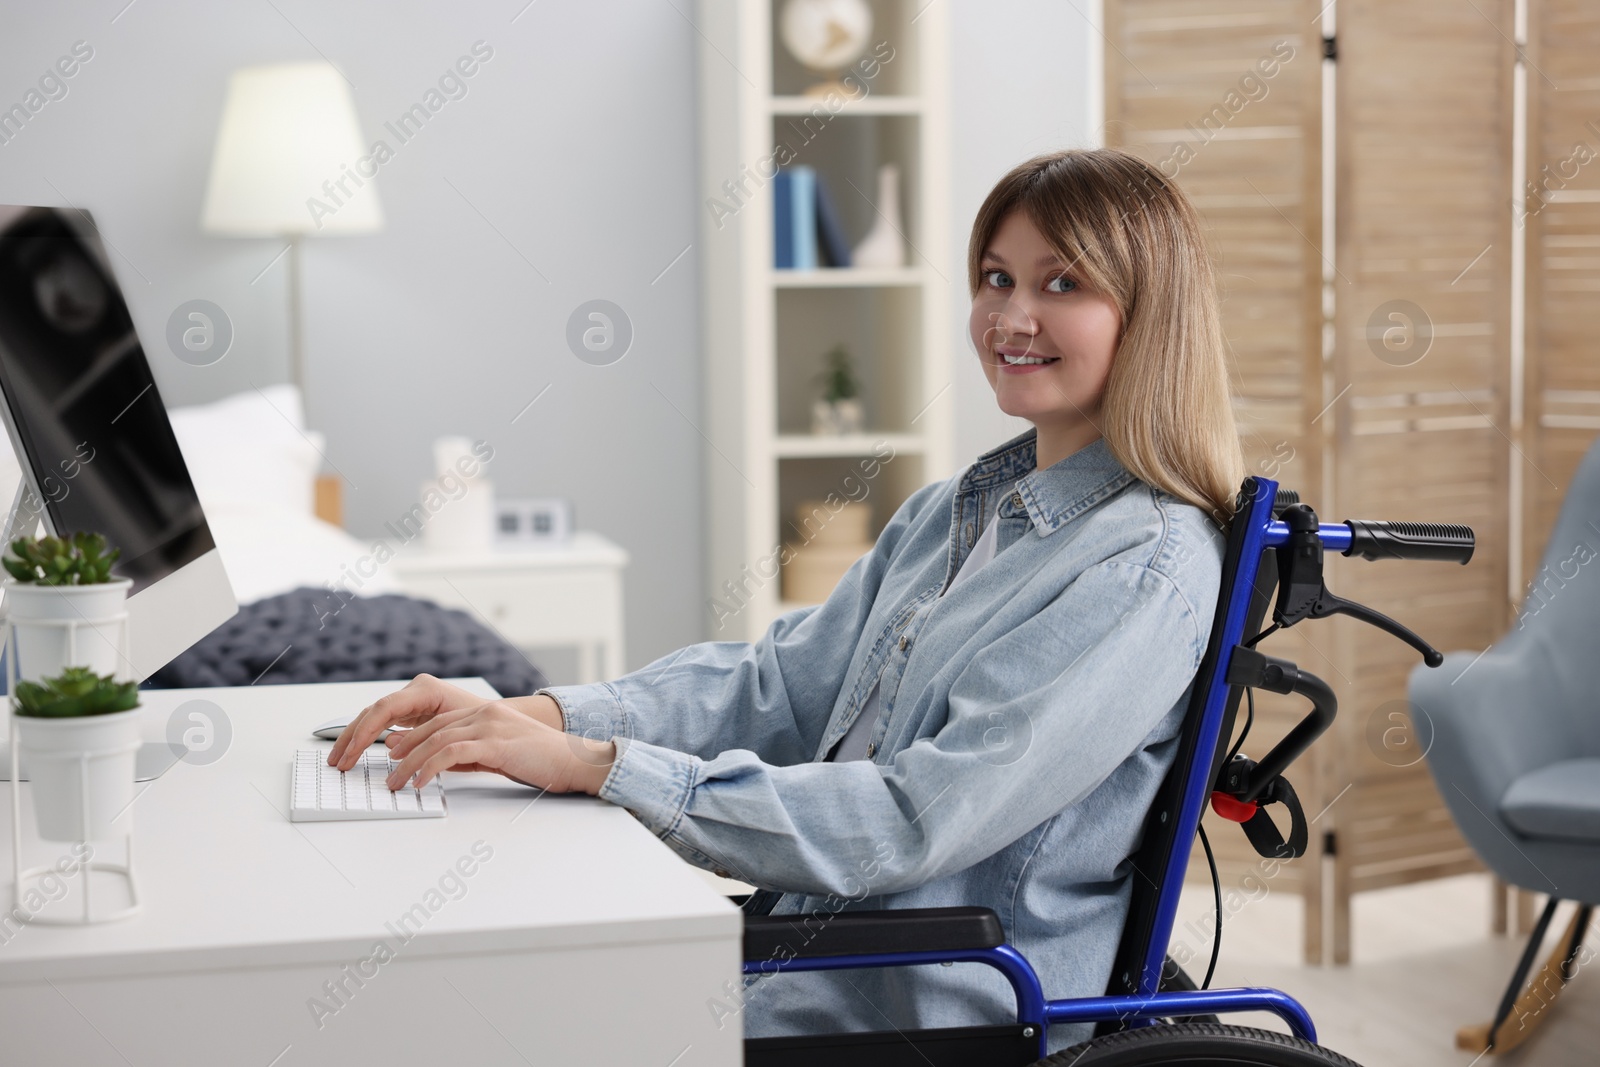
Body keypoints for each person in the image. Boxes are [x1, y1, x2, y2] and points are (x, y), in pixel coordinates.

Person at [329, 147, 1244, 1052]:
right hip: (815, 955)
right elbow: (778, 688)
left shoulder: (1141, 570)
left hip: (927, 1013)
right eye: (996, 277)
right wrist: (529, 717)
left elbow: (912, 817)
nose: (1011, 316)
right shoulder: (954, 514)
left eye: (1062, 284)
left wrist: (598, 765)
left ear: (1147, 314)